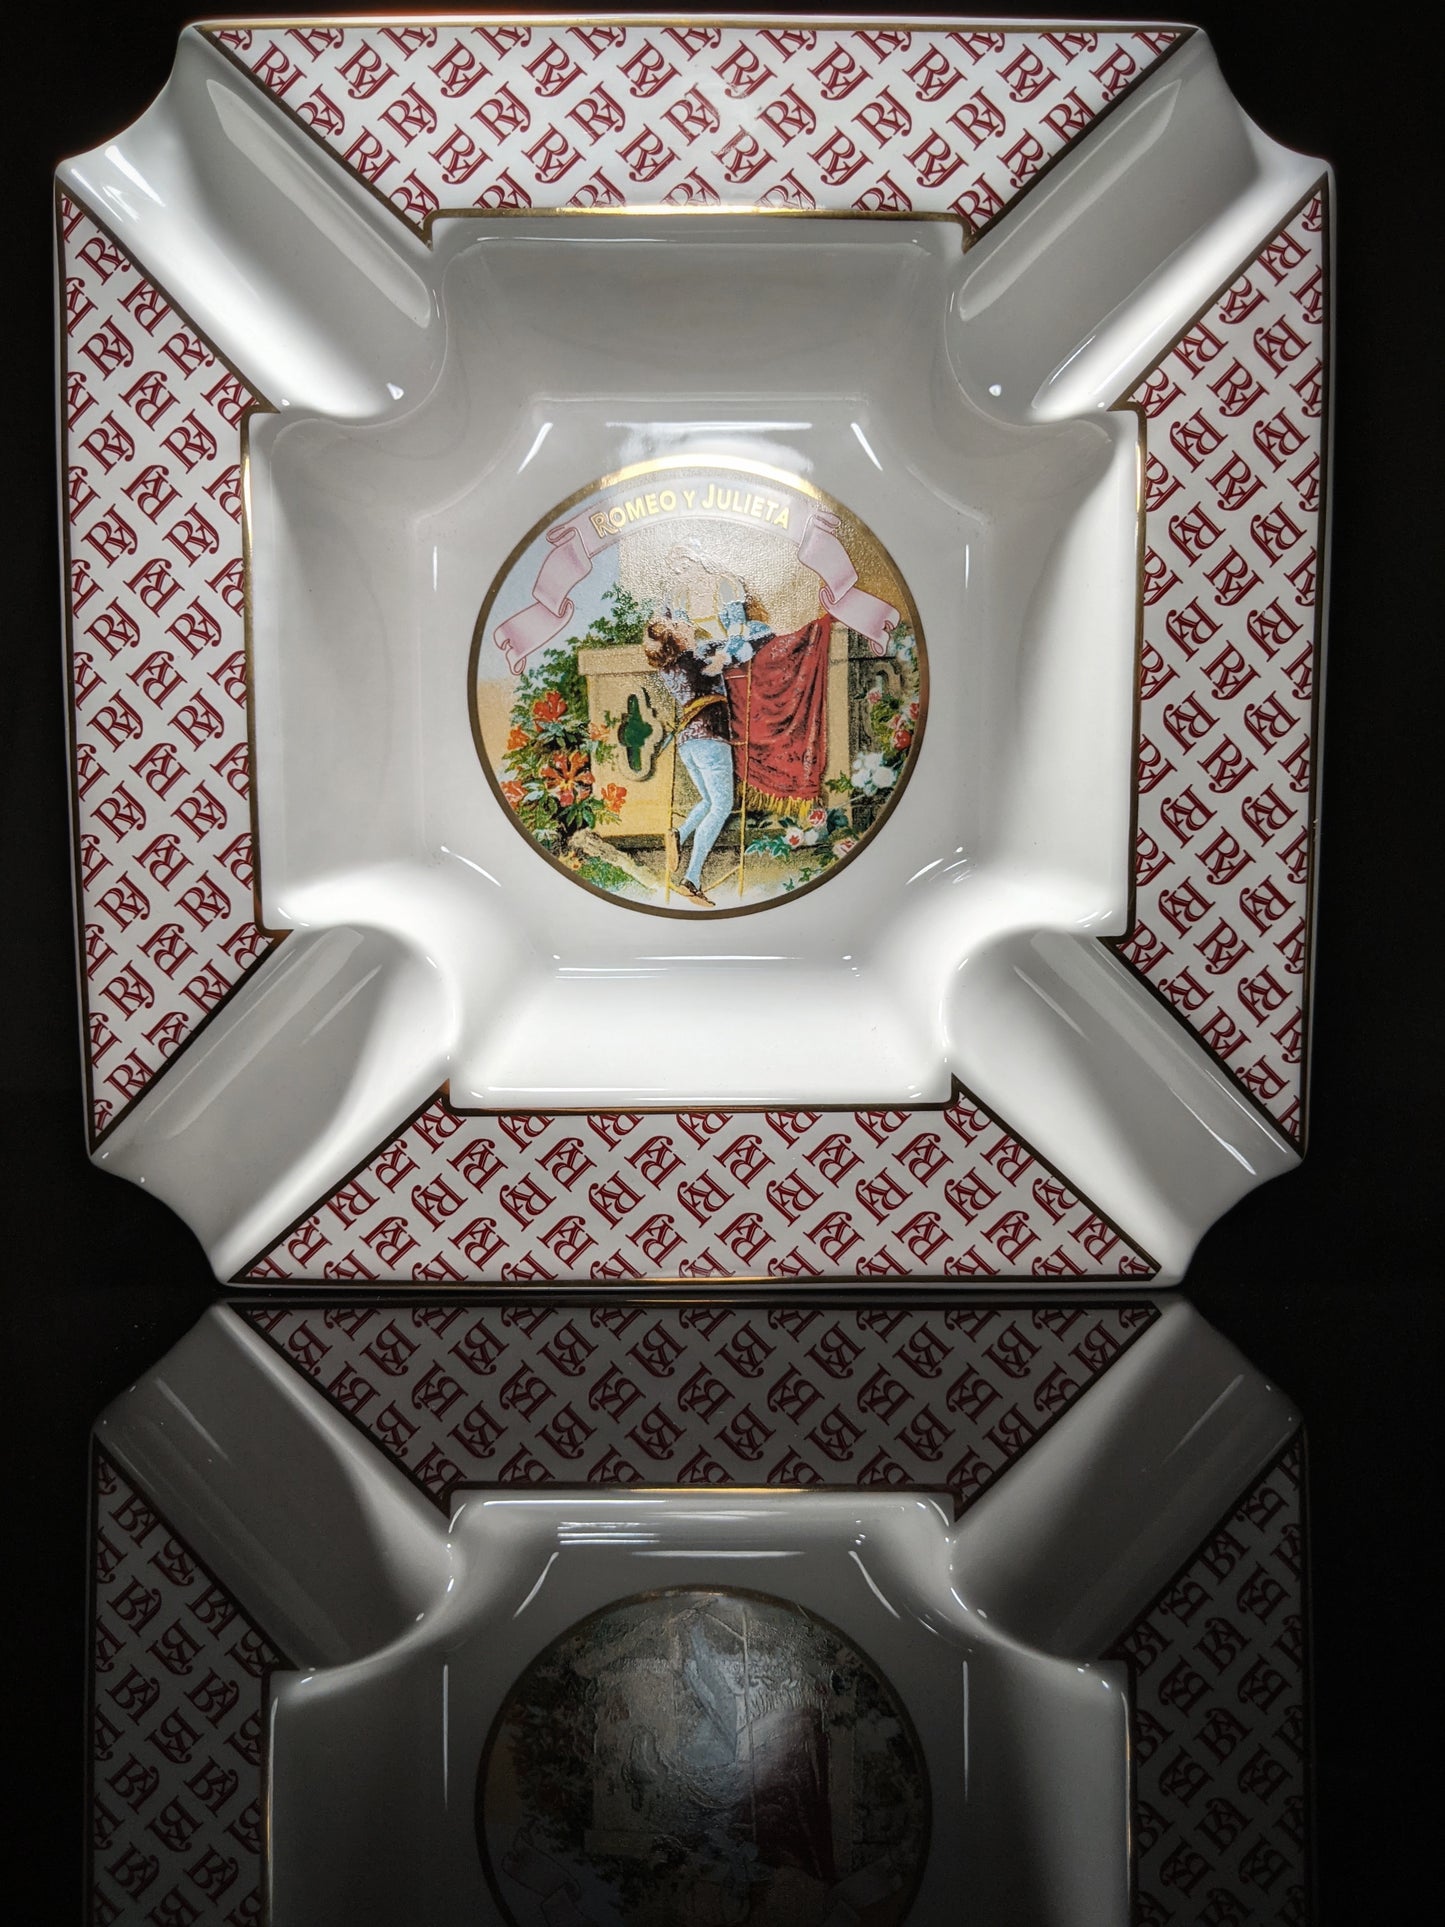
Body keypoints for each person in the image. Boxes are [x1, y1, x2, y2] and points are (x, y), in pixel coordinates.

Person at [642, 611, 734, 907]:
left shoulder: (669, 667)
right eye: (679, 623)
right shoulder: (695, 659)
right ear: (677, 637)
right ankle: (691, 879)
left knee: (708, 801)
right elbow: (726, 657)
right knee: (722, 806)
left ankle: (679, 835)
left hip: (688, 742)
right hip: (709, 737)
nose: (686, 622)